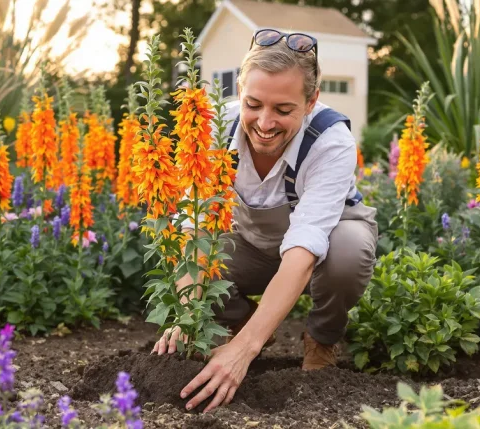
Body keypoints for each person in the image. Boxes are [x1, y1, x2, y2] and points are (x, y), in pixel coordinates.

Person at [150, 29, 379, 413]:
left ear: (311, 102)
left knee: (348, 251)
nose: (265, 123)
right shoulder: (213, 127)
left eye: (283, 110)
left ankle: (321, 340)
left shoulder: (331, 141)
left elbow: (306, 245)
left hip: (320, 247)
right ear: (239, 90)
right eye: (253, 104)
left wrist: (244, 352)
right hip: (251, 244)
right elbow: (197, 223)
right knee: (188, 250)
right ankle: (244, 322)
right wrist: (187, 315)